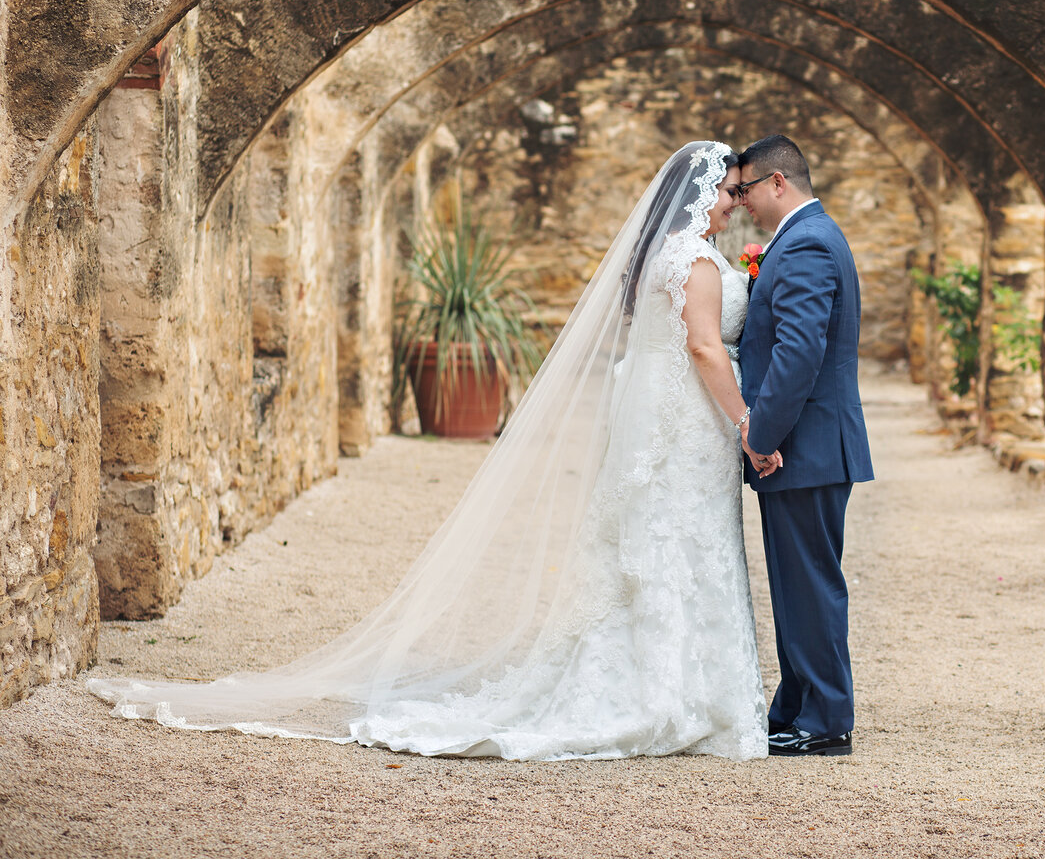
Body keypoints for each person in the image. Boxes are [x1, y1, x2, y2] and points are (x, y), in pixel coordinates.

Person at [89, 140, 780, 762]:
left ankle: (666, 682)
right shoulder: (694, 261)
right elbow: (702, 346)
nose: (733, 204)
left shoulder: (662, 257)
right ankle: (672, 692)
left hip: (666, 420)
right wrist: (747, 419)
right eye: (726, 191)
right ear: (699, 194)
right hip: (687, 418)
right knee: (676, 544)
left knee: (655, 544)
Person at [734, 134, 873, 757]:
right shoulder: (803, 238)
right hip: (806, 445)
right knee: (795, 584)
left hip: (804, 446)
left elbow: (798, 353)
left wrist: (761, 435)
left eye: (745, 190)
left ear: (777, 183)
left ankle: (825, 722)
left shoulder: (809, 242)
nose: (740, 203)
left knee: (811, 583)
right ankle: (795, 707)